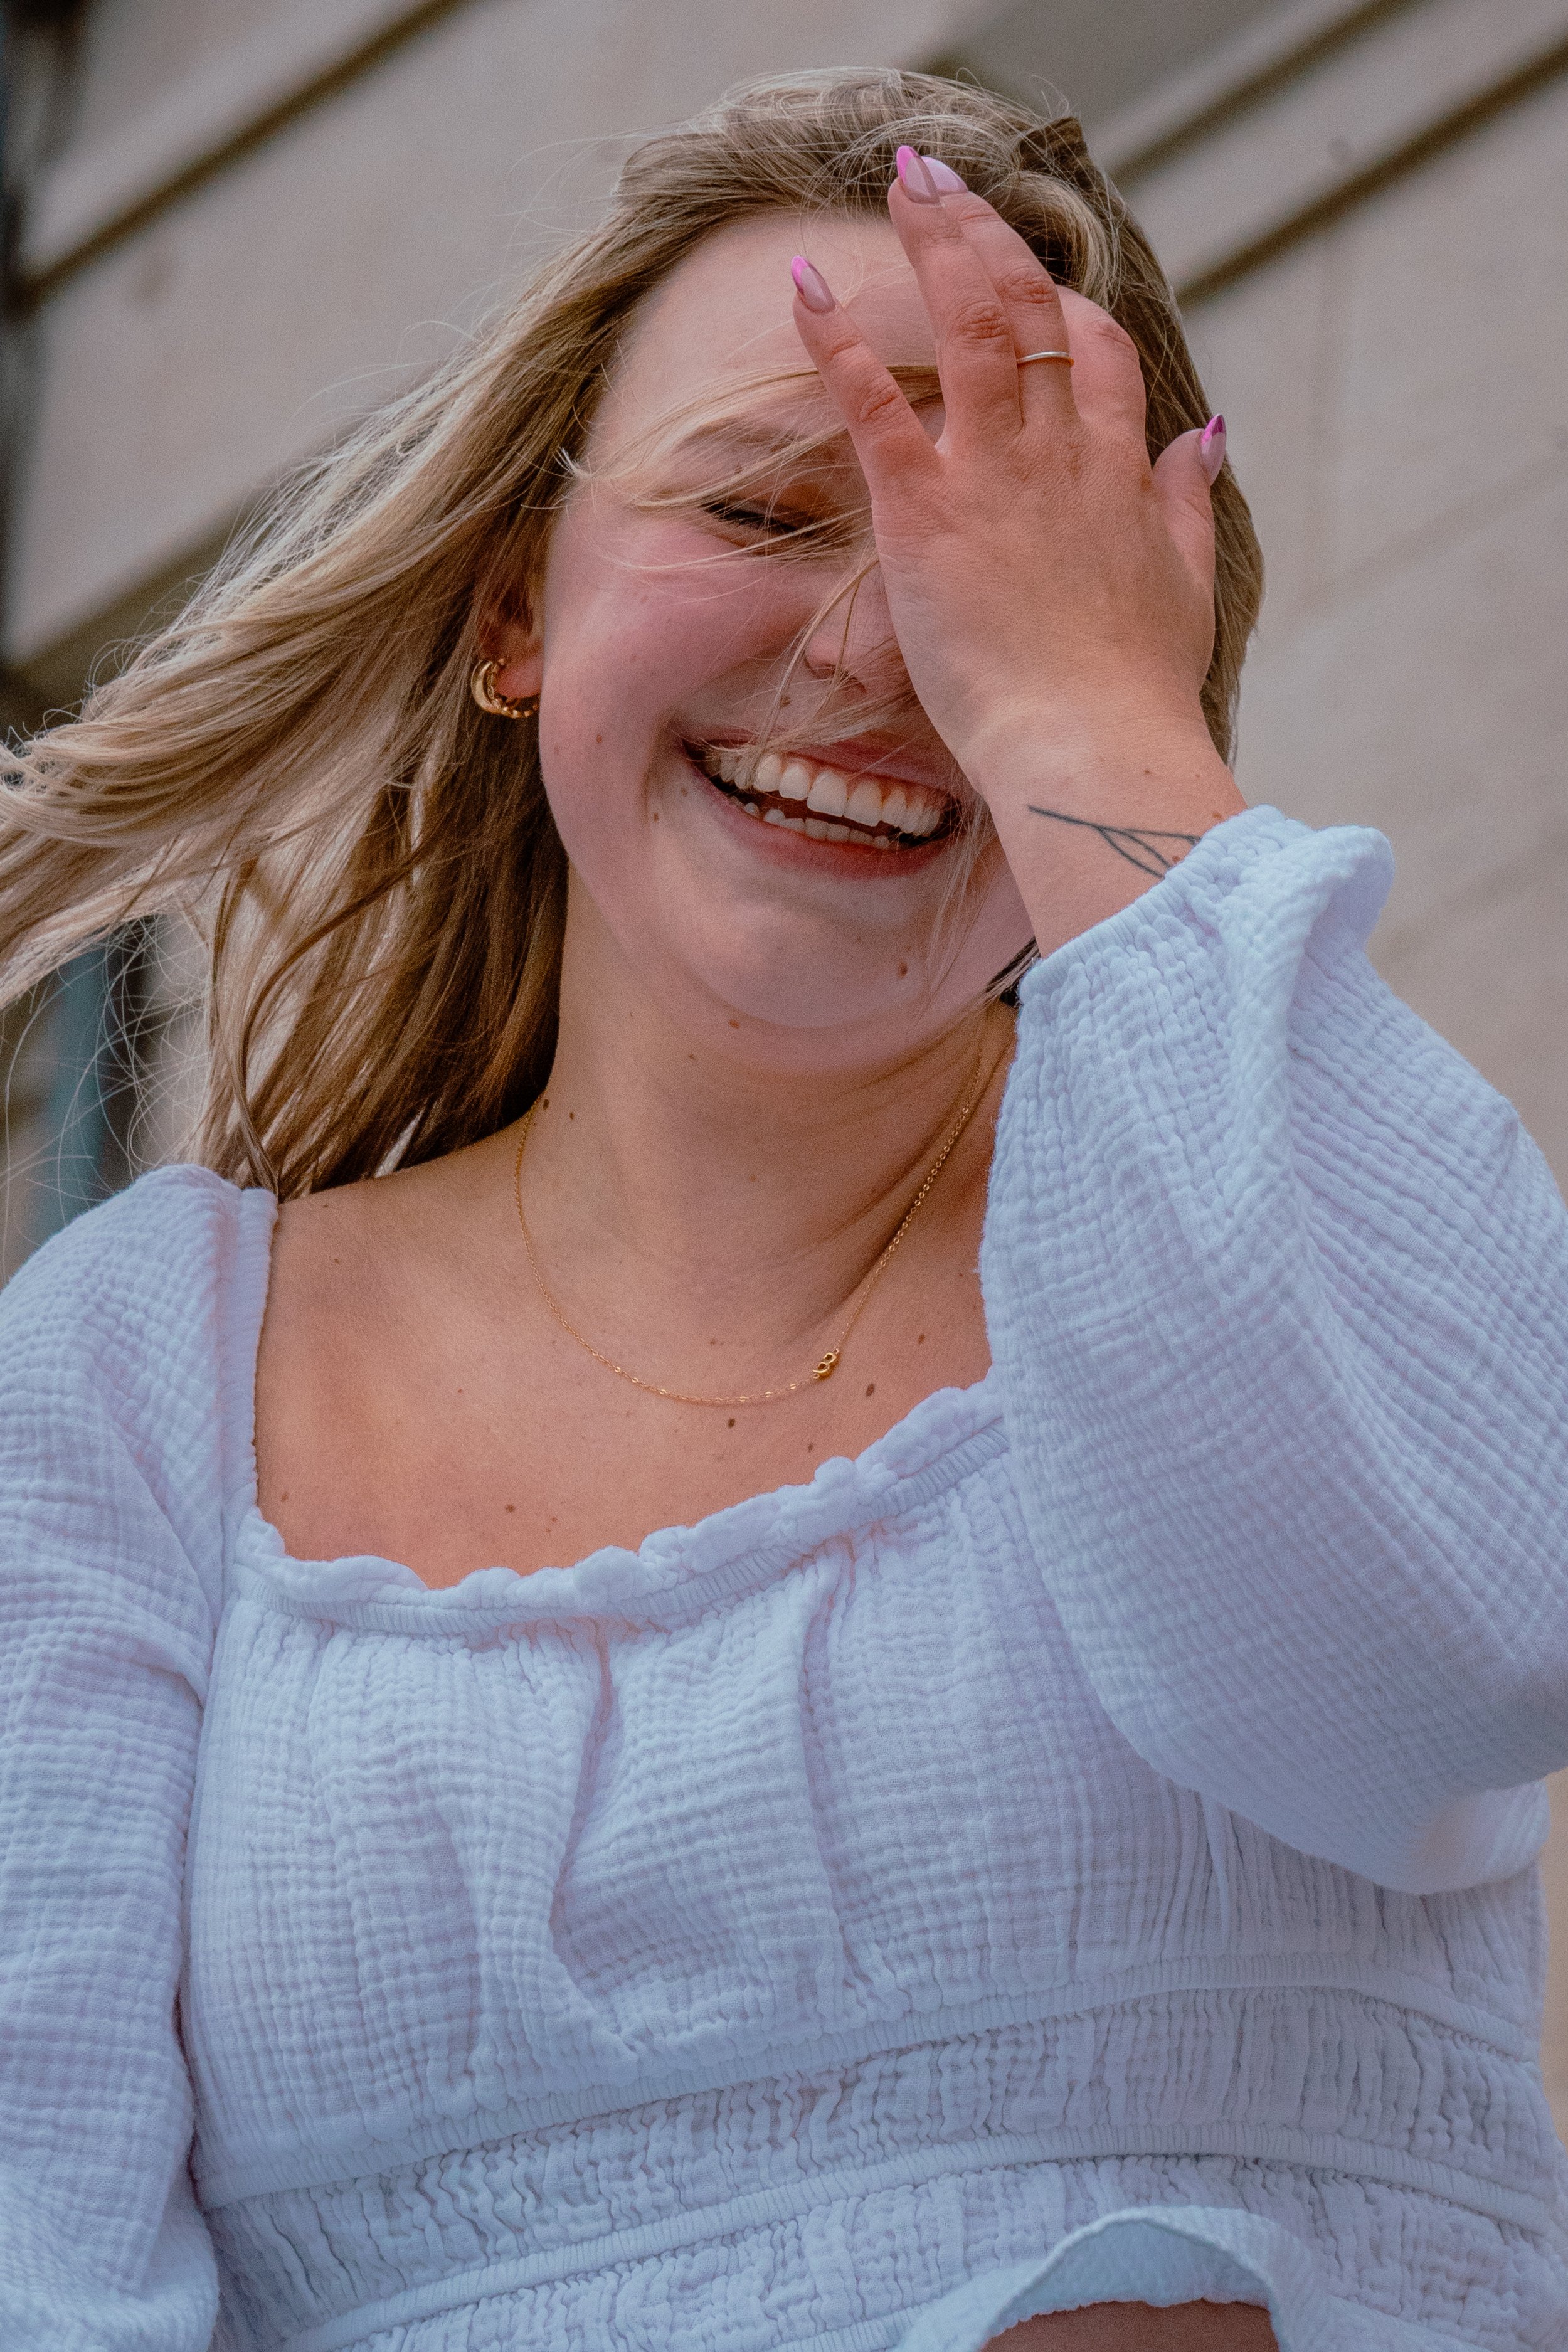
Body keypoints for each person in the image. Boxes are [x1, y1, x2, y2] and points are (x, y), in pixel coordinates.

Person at [1, 65, 1564, 2352]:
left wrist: (1088, 734)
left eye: (982, 556)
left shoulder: (1277, 1212)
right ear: (512, 612)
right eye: (758, 505)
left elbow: (1454, 1646)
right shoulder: (135, 1369)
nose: (869, 649)